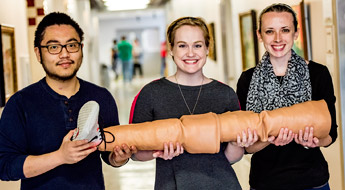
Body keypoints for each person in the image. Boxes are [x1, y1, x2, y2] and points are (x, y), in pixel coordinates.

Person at [0, 12, 135, 190]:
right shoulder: (20, 103)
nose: (65, 54)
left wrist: (118, 158)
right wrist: (60, 157)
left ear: (81, 48)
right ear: (38, 53)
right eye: (54, 47)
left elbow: (108, 155)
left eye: (71, 45)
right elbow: (4, 166)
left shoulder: (102, 97)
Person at [129, 16, 257, 189]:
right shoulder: (151, 93)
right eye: (182, 45)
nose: (190, 53)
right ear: (171, 49)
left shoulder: (225, 94)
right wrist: (156, 152)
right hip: (171, 185)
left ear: (207, 49)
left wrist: (236, 143)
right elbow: (135, 153)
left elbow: (231, 157)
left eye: (197, 45)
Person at [236, 3, 337, 190]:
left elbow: (332, 134)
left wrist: (312, 143)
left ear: (295, 33)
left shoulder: (318, 74)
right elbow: (247, 147)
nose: (277, 38)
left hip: (312, 181)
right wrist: (268, 138)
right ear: (259, 35)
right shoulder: (247, 79)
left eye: (285, 30)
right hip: (266, 182)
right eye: (269, 31)